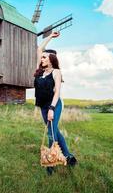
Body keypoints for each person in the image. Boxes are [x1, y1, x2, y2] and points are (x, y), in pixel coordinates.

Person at [34, 31, 77, 175]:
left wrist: (52, 108)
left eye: (44, 57)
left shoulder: (56, 72)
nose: (42, 59)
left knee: (51, 134)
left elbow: (57, 92)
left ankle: (50, 163)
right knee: (55, 131)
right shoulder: (39, 71)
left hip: (55, 104)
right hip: (43, 106)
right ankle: (69, 156)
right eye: (41, 57)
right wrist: (50, 37)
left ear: (51, 59)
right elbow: (39, 49)